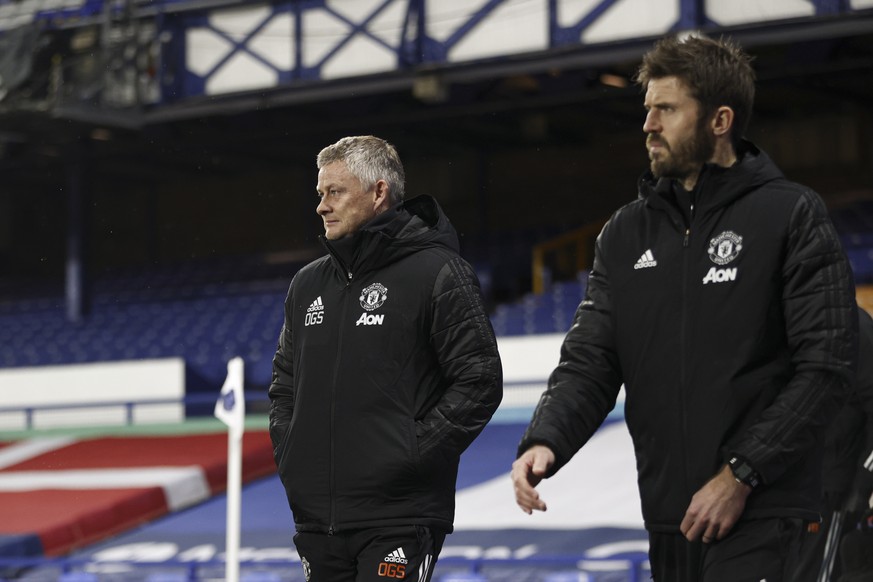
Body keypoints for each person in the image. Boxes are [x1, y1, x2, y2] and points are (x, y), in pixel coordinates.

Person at [511, 34, 858, 581]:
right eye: (648, 109)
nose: (648, 125)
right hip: (671, 519)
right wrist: (546, 439)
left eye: (666, 109)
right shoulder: (625, 233)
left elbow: (826, 368)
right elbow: (591, 361)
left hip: (765, 512)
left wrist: (740, 476)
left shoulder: (790, 215)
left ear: (719, 121)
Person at [268, 135, 502, 582]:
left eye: (335, 192)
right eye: (320, 194)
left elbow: (480, 380)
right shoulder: (306, 285)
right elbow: (284, 384)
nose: (321, 206)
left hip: (399, 516)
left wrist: (408, 455)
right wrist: (293, 455)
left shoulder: (438, 271)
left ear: (378, 193)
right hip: (317, 519)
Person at [796, 306, 873, 582]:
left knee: (817, 575)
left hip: (831, 487)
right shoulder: (787, 318)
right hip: (785, 482)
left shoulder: (857, 329)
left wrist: (863, 484)